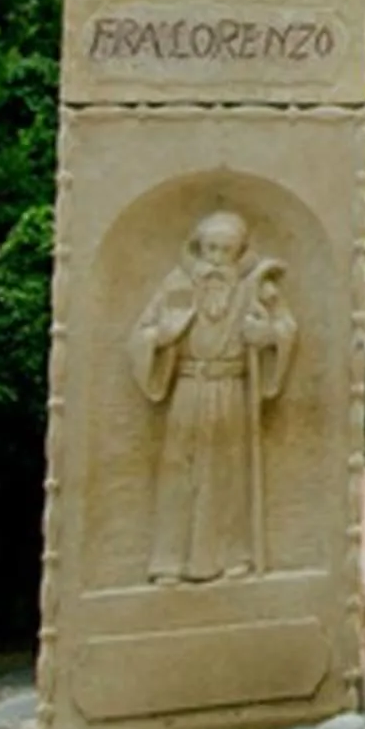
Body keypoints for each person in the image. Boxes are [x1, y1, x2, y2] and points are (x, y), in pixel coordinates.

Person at [130, 210, 296, 584]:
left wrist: (267, 334)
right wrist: (162, 336)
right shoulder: (176, 286)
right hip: (189, 388)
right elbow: (140, 333)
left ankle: (231, 555)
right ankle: (169, 562)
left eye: (226, 250)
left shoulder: (255, 288)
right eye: (211, 249)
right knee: (179, 470)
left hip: (232, 390)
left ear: (239, 252)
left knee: (229, 472)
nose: (217, 258)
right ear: (198, 248)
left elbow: (286, 328)